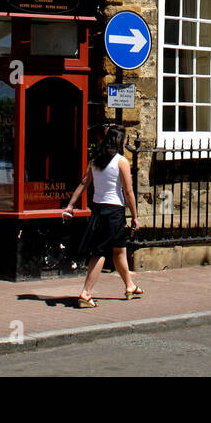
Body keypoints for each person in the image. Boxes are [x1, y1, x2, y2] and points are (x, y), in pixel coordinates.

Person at [62, 124, 142, 307]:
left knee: (120, 249)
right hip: (114, 211)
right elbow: (128, 192)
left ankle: (130, 286)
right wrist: (135, 216)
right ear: (120, 141)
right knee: (100, 252)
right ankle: (86, 293)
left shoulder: (95, 160)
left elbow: (84, 183)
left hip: (98, 209)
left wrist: (70, 205)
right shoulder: (121, 161)